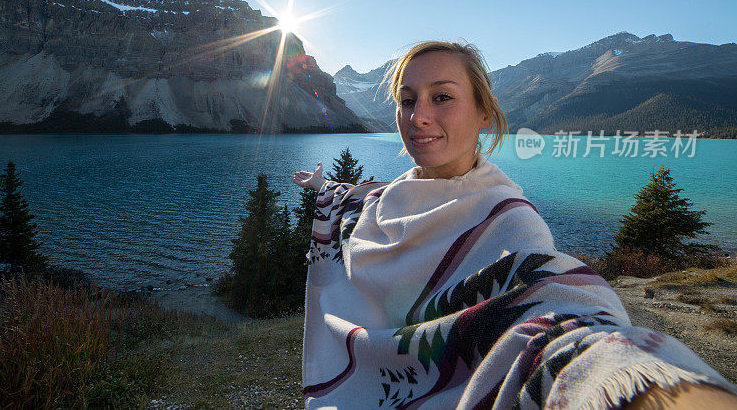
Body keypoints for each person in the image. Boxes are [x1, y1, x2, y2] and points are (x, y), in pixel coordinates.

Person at [293, 41, 737, 409]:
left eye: (442, 97)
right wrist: (323, 184)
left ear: (485, 112)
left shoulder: (508, 221)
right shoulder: (386, 201)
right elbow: (357, 197)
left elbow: (549, 311)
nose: (418, 117)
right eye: (407, 100)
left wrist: (621, 375)